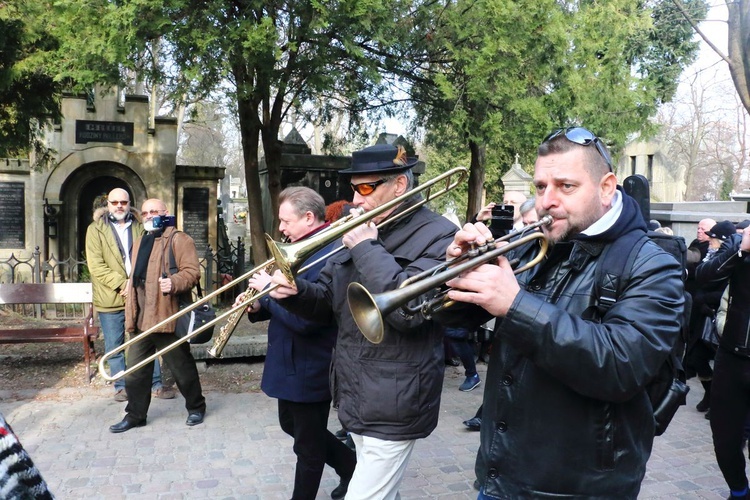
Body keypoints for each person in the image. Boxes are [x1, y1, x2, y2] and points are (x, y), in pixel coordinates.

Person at [440, 127, 684, 498]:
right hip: (499, 476)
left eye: (565, 186)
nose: (547, 201)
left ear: (606, 188)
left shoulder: (653, 263)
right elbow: (437, 320)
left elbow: (622, 366)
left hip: (581, 488)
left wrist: (515, 305)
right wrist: (455, 273)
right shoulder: (533, 245)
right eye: (540, 187)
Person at [268, 143, 458, 499]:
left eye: (366, 188)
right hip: (356, 394)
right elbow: (326, 301)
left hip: (397, 399)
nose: (357, 198)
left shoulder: (439, 235)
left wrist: (367, 248)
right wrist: (293, 293)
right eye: (354, 188)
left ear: (399, 185)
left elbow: (409, 308)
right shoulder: (359, 228)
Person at [241, 187, 356, 500]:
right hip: (289, 359)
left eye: (285, 221)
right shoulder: (297, 246)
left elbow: (308, 318)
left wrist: (267, 294)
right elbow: (284, 301)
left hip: (310, 362)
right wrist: (258, 305)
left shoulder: (328, 252)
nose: (280, 228)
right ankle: (351, 466)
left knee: (307, 445)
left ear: (308, 217)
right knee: (292, 425)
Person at [108, 198, 206, 433]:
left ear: (165, 213)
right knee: (135, 371)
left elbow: (193, 272)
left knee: (181, 368)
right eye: (145, 213)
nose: (150, 216)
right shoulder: (141, 240)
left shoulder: (180, 239)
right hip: (142, 318)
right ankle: (135, 415)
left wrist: (173, 283)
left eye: (154, 211)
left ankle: (196, 407)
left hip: (167, 316)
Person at [85, 188, 173, 402]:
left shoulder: (141, 227)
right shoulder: (95, 230)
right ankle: (121, 385)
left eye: (123, 202)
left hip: (139, 294)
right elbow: (96, 266)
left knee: (145, 340)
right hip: (111, 296)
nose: (119, 206)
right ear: (108, 204)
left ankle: (155, 384)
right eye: (114, 202)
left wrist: (135, 284)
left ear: (129, 203)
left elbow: (152, 256)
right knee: (115, 344)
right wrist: (122, 284)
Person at [695, 222, 750, 500]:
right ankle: (739, 491)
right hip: (731, 358)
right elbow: (704, 276)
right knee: (725, 440)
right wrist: (740, 250)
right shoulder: (738, 244)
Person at [684, 217, 717, 411]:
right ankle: (709, 392)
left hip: (707, 313)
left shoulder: (716, 255)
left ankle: (713, 393)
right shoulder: (697, 245)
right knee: (694, 357)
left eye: (703, 230)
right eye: (697, 228)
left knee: (698, 356)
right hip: (693, 309)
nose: (699, 232)